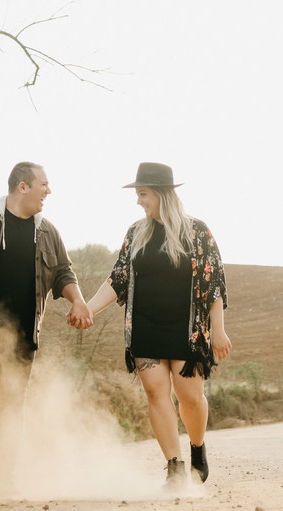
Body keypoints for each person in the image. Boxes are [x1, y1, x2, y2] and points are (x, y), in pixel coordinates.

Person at [0, 161, 93, 492]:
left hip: (22, 334)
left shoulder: (47, 231)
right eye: (44, 184)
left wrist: (78, 300)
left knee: (10, 405)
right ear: (22, 186)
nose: (49, 191)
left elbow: (64, 272)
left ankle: (5, 478)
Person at [84, 162, 231, 490]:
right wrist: (88, 308)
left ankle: (197, 446)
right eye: (138, 195)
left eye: (143, 194)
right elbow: (119, 277)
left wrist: (218, 329)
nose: (139, 201)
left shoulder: (197, 232)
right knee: (155, 391)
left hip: (187, 329)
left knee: (190, 397)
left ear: (162, 194)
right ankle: (174, 468)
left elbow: (214, 284)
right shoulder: (137, 232)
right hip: (146, 326)